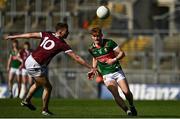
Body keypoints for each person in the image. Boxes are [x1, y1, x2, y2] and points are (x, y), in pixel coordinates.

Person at [5, 22, 95, 116]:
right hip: (36, 64)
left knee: (37, 83)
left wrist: (14, 36)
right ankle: (45, 110)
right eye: (66, 31)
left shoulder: (47, 33)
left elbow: (30, 35)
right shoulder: (62, 44)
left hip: (30, 60)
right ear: (60, 32)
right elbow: (76, 57)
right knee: (48, 87)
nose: (68, 33)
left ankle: (26, 100)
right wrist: (90, 67)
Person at [88, 27, 137, 116]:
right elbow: (95, 58)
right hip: (106, 74)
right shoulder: (91, 48)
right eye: (94, 36)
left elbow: (122, 53)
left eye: (98, 36)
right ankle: (127, 111)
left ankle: (132, 105)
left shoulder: (109, 43)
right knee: (115, 94)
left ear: (101, 35)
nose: (96, 38)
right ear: (92, 37)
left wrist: (113, 60)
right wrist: (93, 69)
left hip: (117, 70)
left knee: (126, 92)